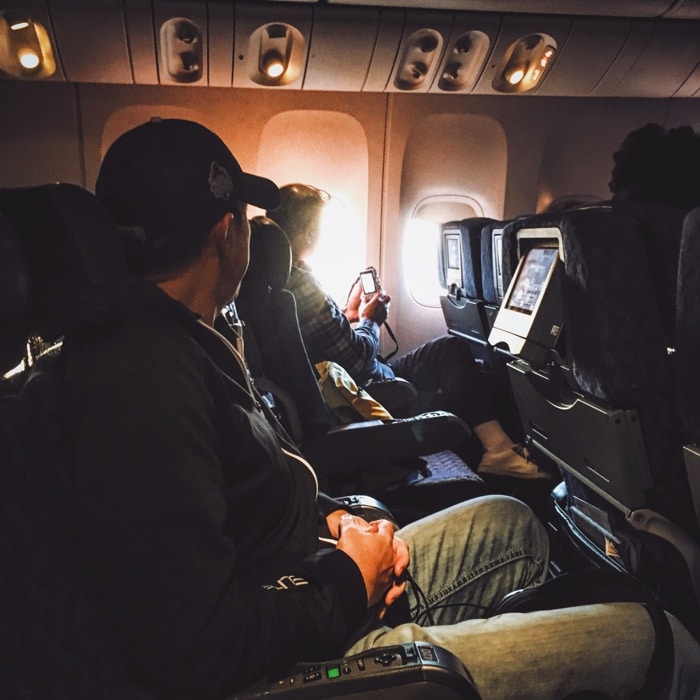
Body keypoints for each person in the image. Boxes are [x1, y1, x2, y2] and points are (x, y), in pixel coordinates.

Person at [64, 118, 699, 699]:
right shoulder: (143, 381)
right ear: (227, 232)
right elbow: (195, 651)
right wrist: (349, 578)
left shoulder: (189, 338)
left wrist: (335, 519)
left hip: (310, 576)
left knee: (511, 523)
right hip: (296, 665)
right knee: (651, 636)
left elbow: (248, 500)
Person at [265, 183, 551, 480]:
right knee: (455, 367)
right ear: (310, 232)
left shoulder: (280, 281)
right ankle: (499, 451)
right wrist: (371, 320)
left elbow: (327, 343)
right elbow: (358, 360)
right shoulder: (302, 287)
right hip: (368, 391)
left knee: (453, 356)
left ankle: (499, 450)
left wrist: (349, 316)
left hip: (352, 382)